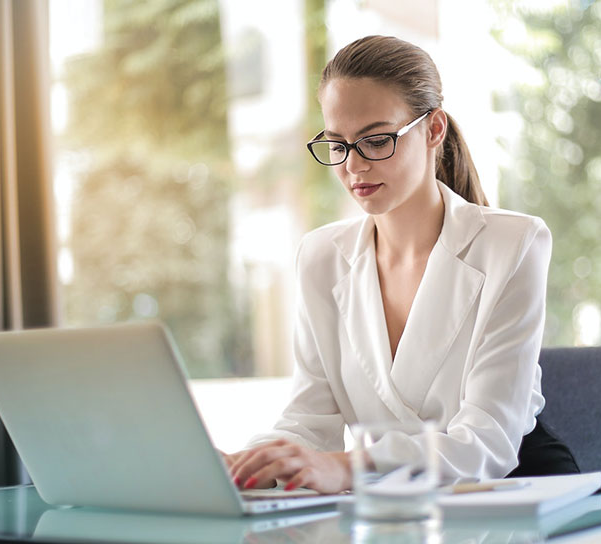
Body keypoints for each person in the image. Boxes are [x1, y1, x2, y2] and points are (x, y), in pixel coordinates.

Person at [226, 35, 578, 494]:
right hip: (394, 503)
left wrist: (350, 468)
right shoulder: (321, 257)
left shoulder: (513, 243)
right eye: (338, 144)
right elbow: (308, 421)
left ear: (434, 130)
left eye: (376, 140)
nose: (353, 166)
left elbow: (487, 443)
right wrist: (246, 464)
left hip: (513, 491)